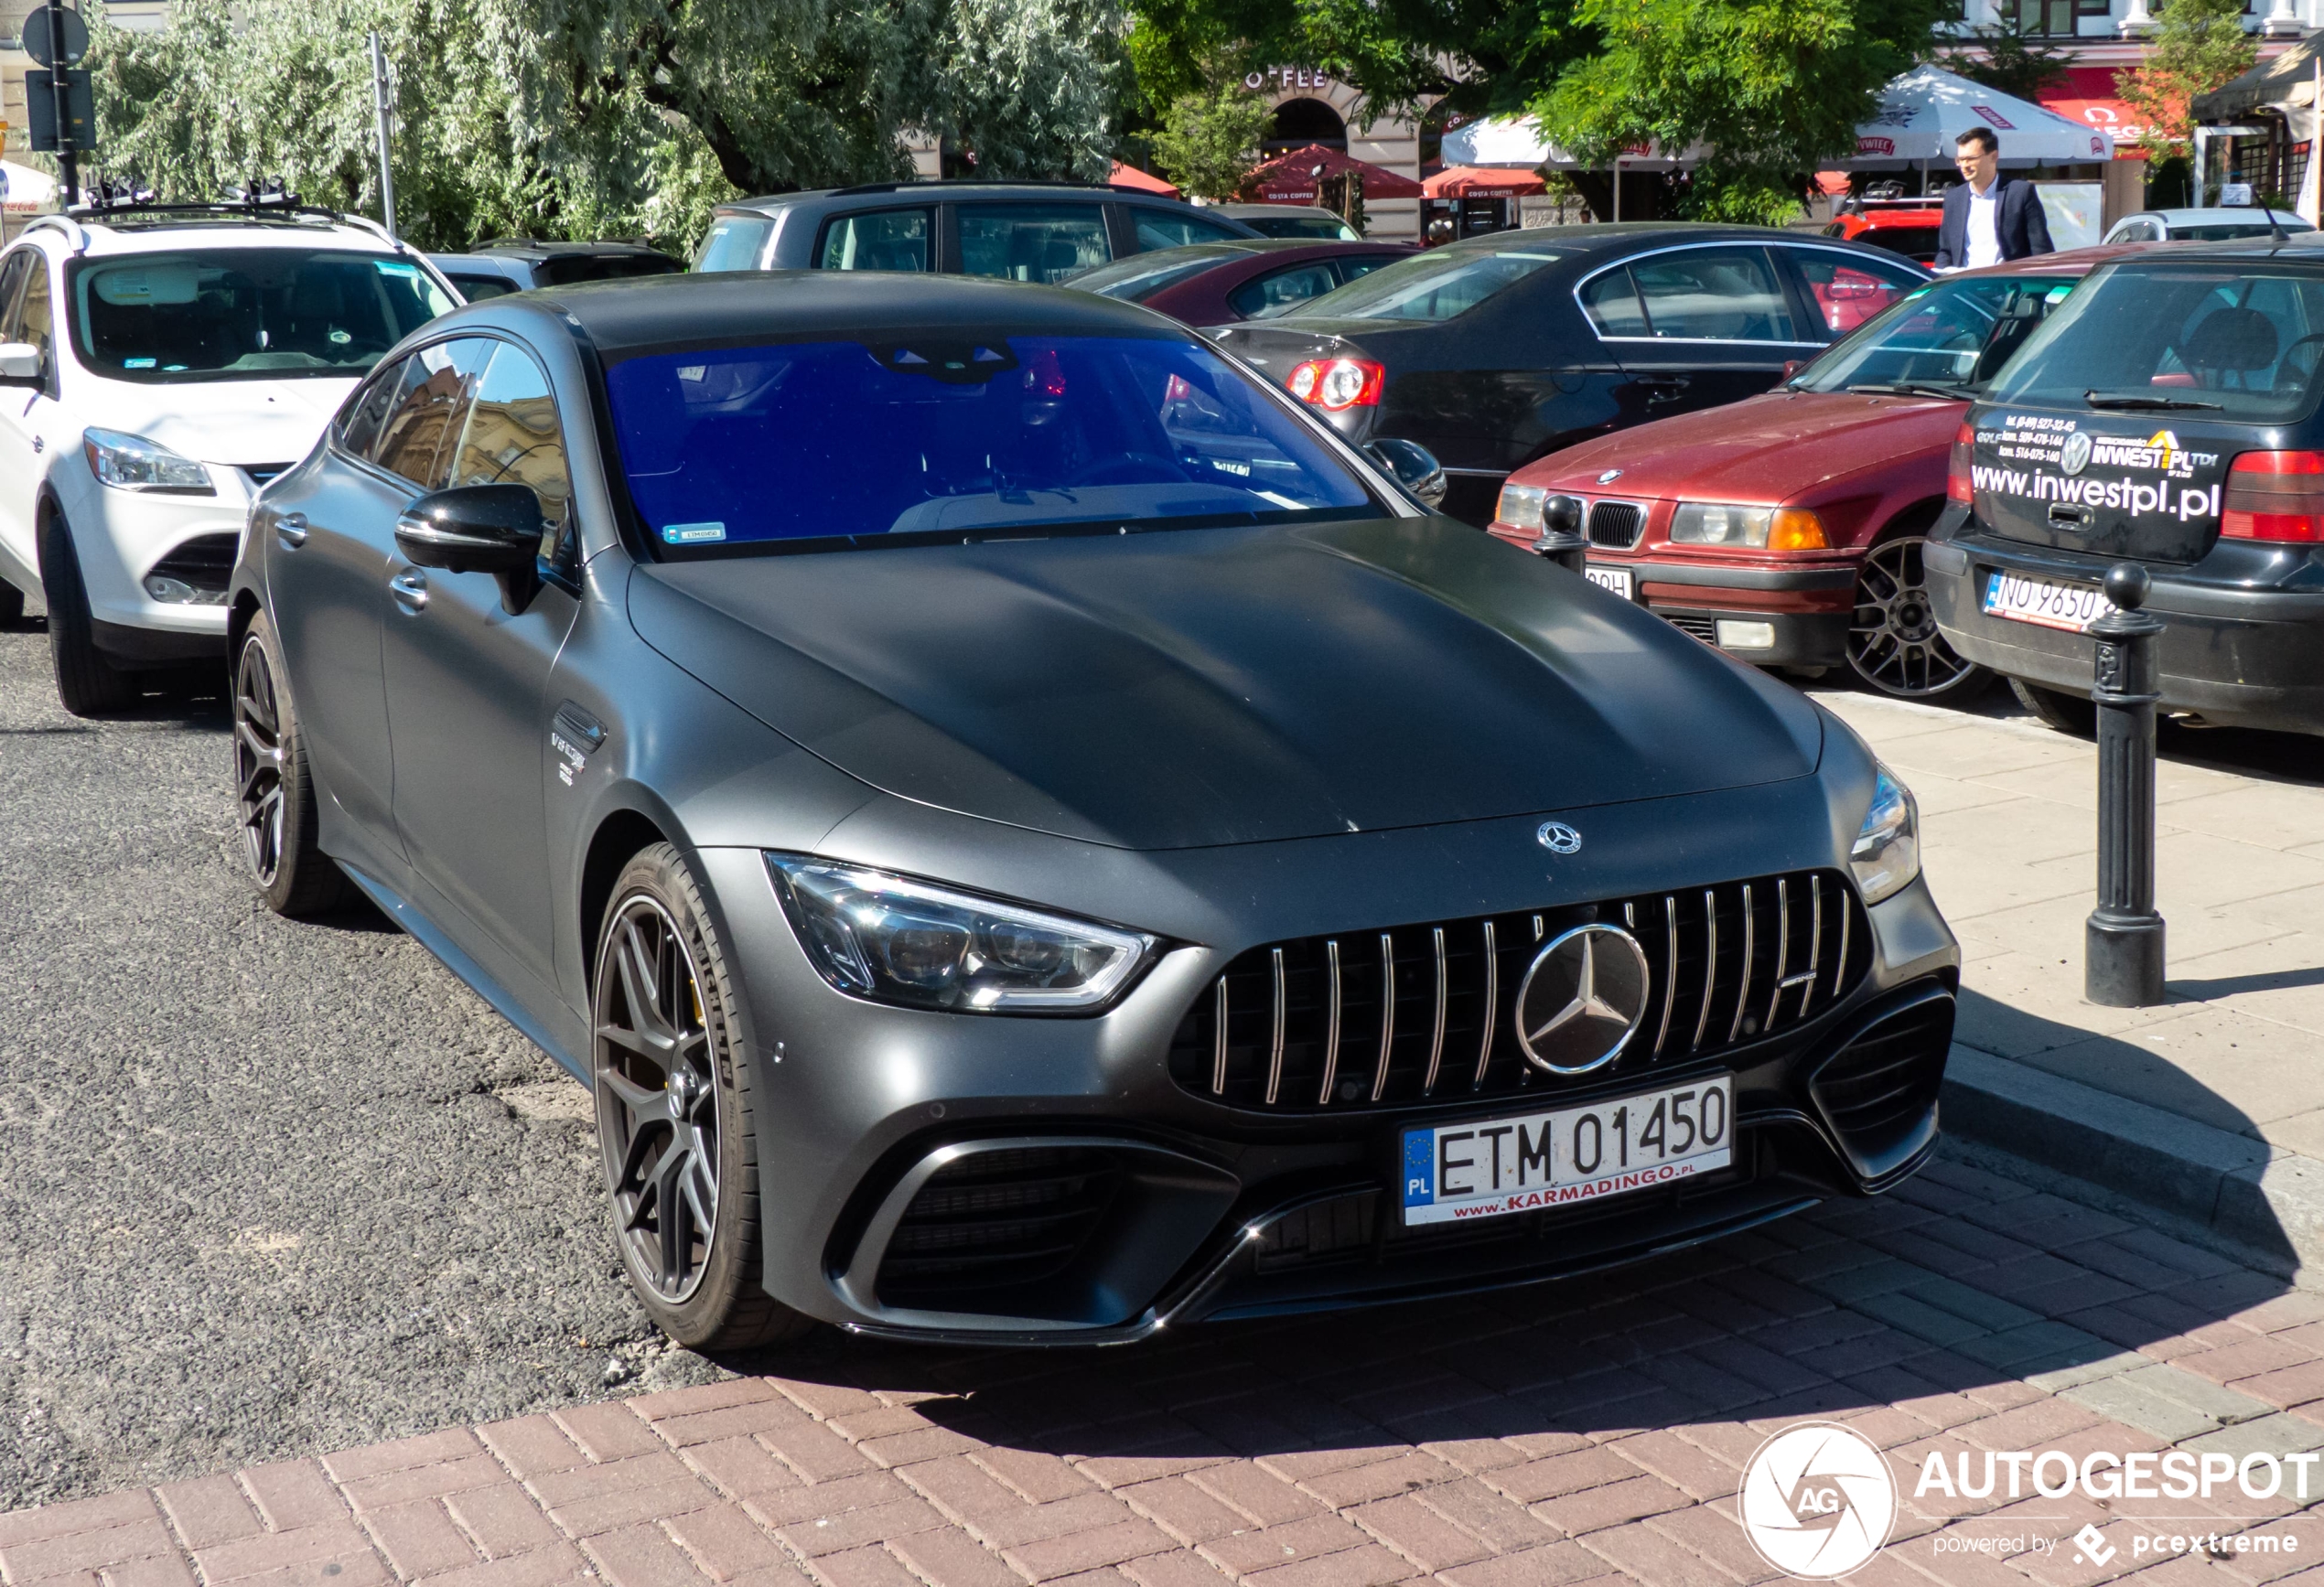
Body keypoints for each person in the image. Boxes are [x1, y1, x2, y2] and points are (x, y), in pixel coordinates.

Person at [1931, 127, 2053, 271]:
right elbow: (1946, 251)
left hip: (2008, 286)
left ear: (1993, 156)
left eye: (1971, 159)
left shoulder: (2020, 193)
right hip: (1965, 287)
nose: (1964, 166)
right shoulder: (1954, 199)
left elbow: (2040, 248)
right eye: (1960, 159)